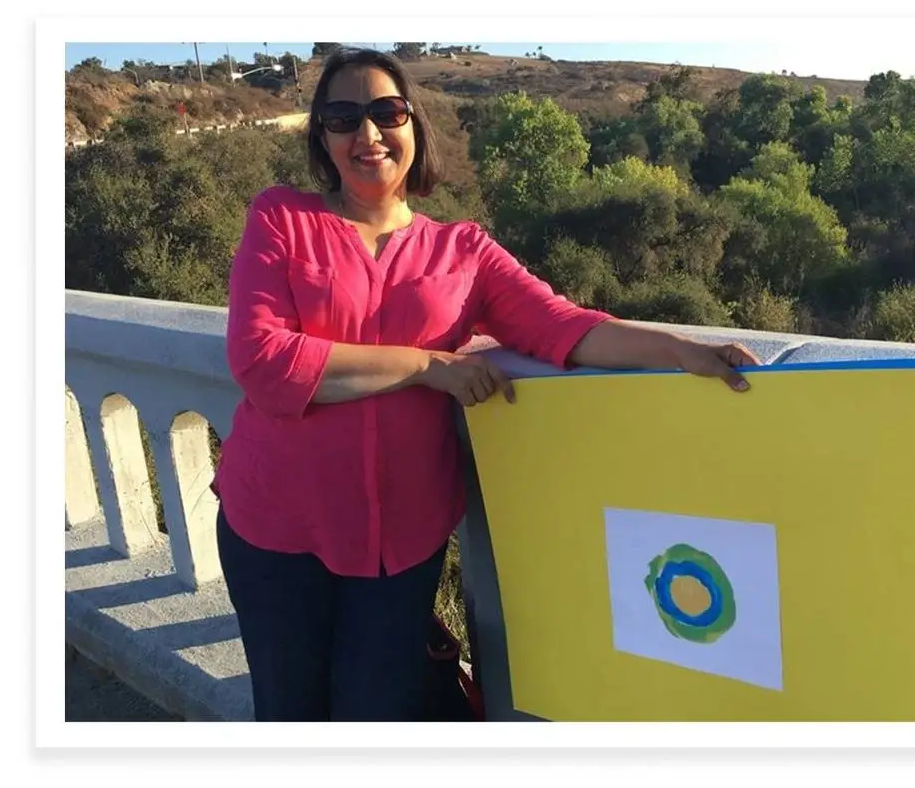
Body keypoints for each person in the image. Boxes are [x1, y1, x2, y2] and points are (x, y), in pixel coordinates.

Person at [212, 46, 760, 722]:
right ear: (322, 136)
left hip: (401, 541)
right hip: (276, 529)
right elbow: (265, 363)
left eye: (387, 113)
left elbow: (562, 326)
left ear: (415, 126)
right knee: (290, 715)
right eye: (343, 117)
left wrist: (679, 350)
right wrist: (427, 366)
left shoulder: (461, 250)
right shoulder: (283, 219)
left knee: (375, 717)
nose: (368, 134)